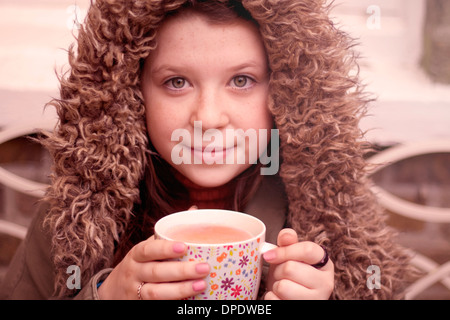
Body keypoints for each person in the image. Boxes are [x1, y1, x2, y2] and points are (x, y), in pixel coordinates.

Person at [0, 0, 415, 300]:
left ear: (287, 91)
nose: (209, 117)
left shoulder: (325, 225)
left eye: (242, 81)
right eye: (177, 82)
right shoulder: (71, 219)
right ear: (130, 91)